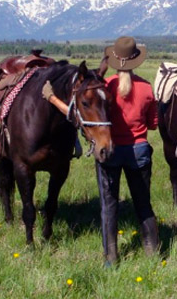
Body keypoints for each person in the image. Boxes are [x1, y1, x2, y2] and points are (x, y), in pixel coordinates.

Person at [42, 36, 159, 265]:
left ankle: (111, 259)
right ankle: (153, 254)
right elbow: (153, 123)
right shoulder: (146, 87)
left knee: (109, 206)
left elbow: (83, 116)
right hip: (139, 150)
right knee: (143, 204)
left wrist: (53, 99)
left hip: (111, 151)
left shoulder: (106, 87)